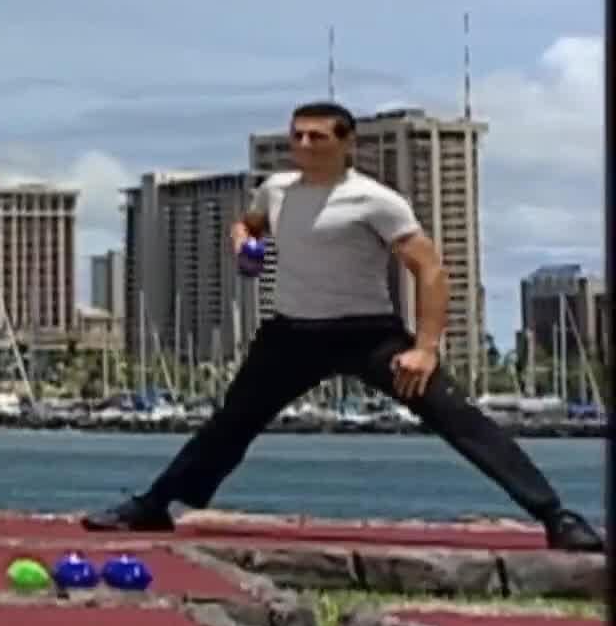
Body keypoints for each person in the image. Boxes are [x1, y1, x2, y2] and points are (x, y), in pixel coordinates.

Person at [82, 101, 604, 553]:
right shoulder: (277, 189)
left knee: (457, 417)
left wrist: (425, 348)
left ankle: (557, 518)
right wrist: (243, 243)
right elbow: (249, 223)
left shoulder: (376, 200)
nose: (304, 144)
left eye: (317, 136)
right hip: (290, 334)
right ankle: (154, 505)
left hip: (367, 333)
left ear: (346, 143)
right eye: (297, 135)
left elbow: (429, 268)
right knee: (229, 426)